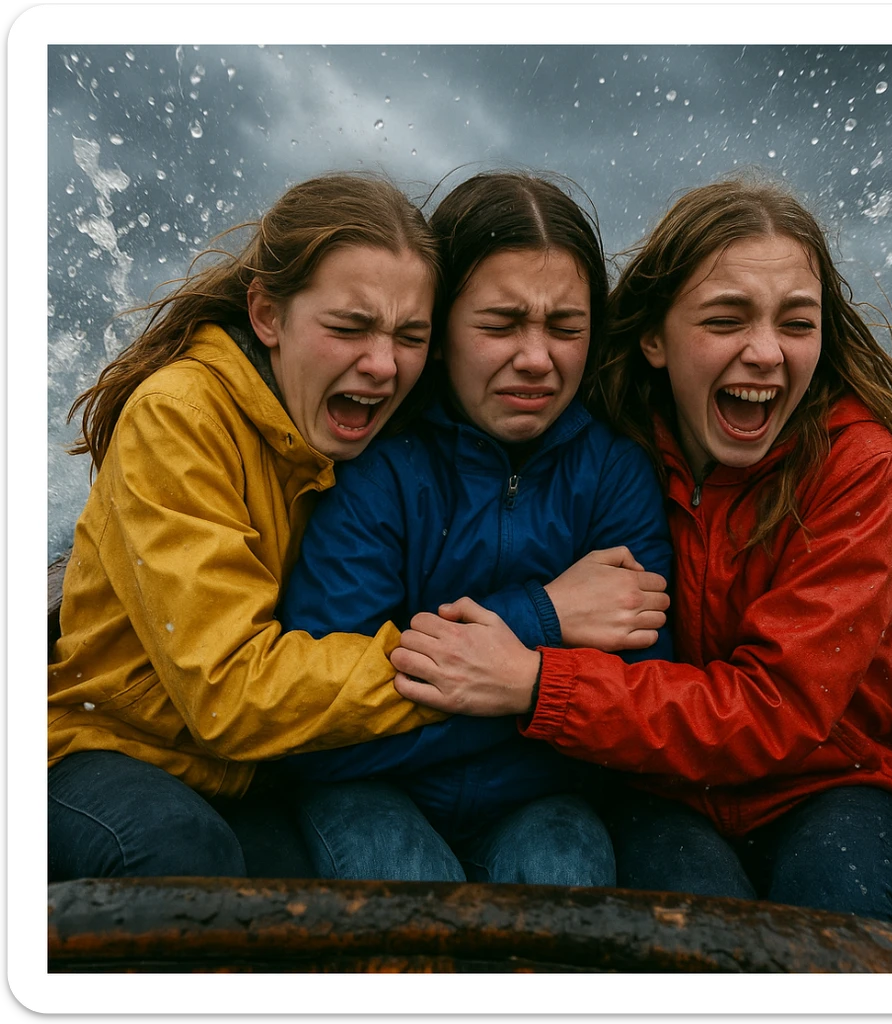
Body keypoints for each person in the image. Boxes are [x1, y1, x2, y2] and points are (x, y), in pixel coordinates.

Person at [384, 177, 892, 925]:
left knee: (833, 942)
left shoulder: (856, 467)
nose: (764, 352)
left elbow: (777, 712)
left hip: (831, 778)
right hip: (658, 783)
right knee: (700, 937)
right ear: (653, 337)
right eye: (725, 319)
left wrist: (538, 683)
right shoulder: (611, 439)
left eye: (796, 323)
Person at [47, 172, 451, 881]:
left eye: (410, 335)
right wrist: (465, 675)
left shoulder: (375, 433)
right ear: (267, 314)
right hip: (104, 751)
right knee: (184, 855)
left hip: (255, 772)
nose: (383, 364)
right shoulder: (179, 416)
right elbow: (230, 691)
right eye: (349, 326)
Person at [277, 172, 674, 886]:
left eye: (565, 327)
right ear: (438, 332)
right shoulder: (373, 466)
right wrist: (541, 627)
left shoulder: (616, 474)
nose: (536, 357)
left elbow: (642, 711)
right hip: (371, 794)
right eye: (499, 324)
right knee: (403, 880)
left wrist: (514, 682)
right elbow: (316, 736)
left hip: (543, 801)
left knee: (567, 871)